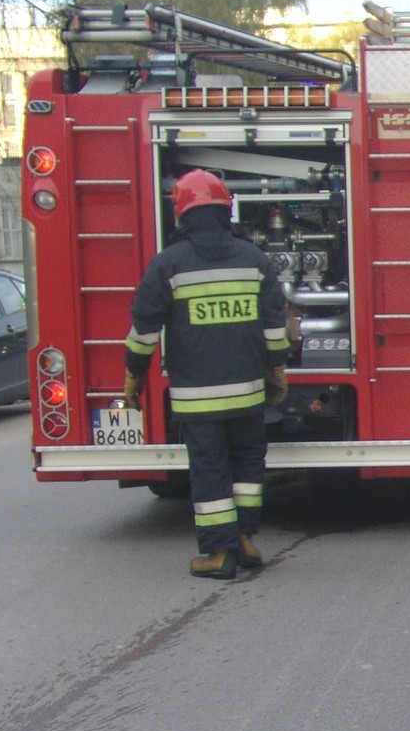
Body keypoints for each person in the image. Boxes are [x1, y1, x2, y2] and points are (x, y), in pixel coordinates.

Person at [122, 170, 290, 580]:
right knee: (250, 463)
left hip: (197, 400)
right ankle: (246, 539)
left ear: (181, 214)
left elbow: (144, 328)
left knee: (209, 469)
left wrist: (134, 376)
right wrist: (277, 368)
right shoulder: (254, 261)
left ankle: (218, 553)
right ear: (225, 209)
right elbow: (274, 324)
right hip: (249, 393)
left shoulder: (168, 265)